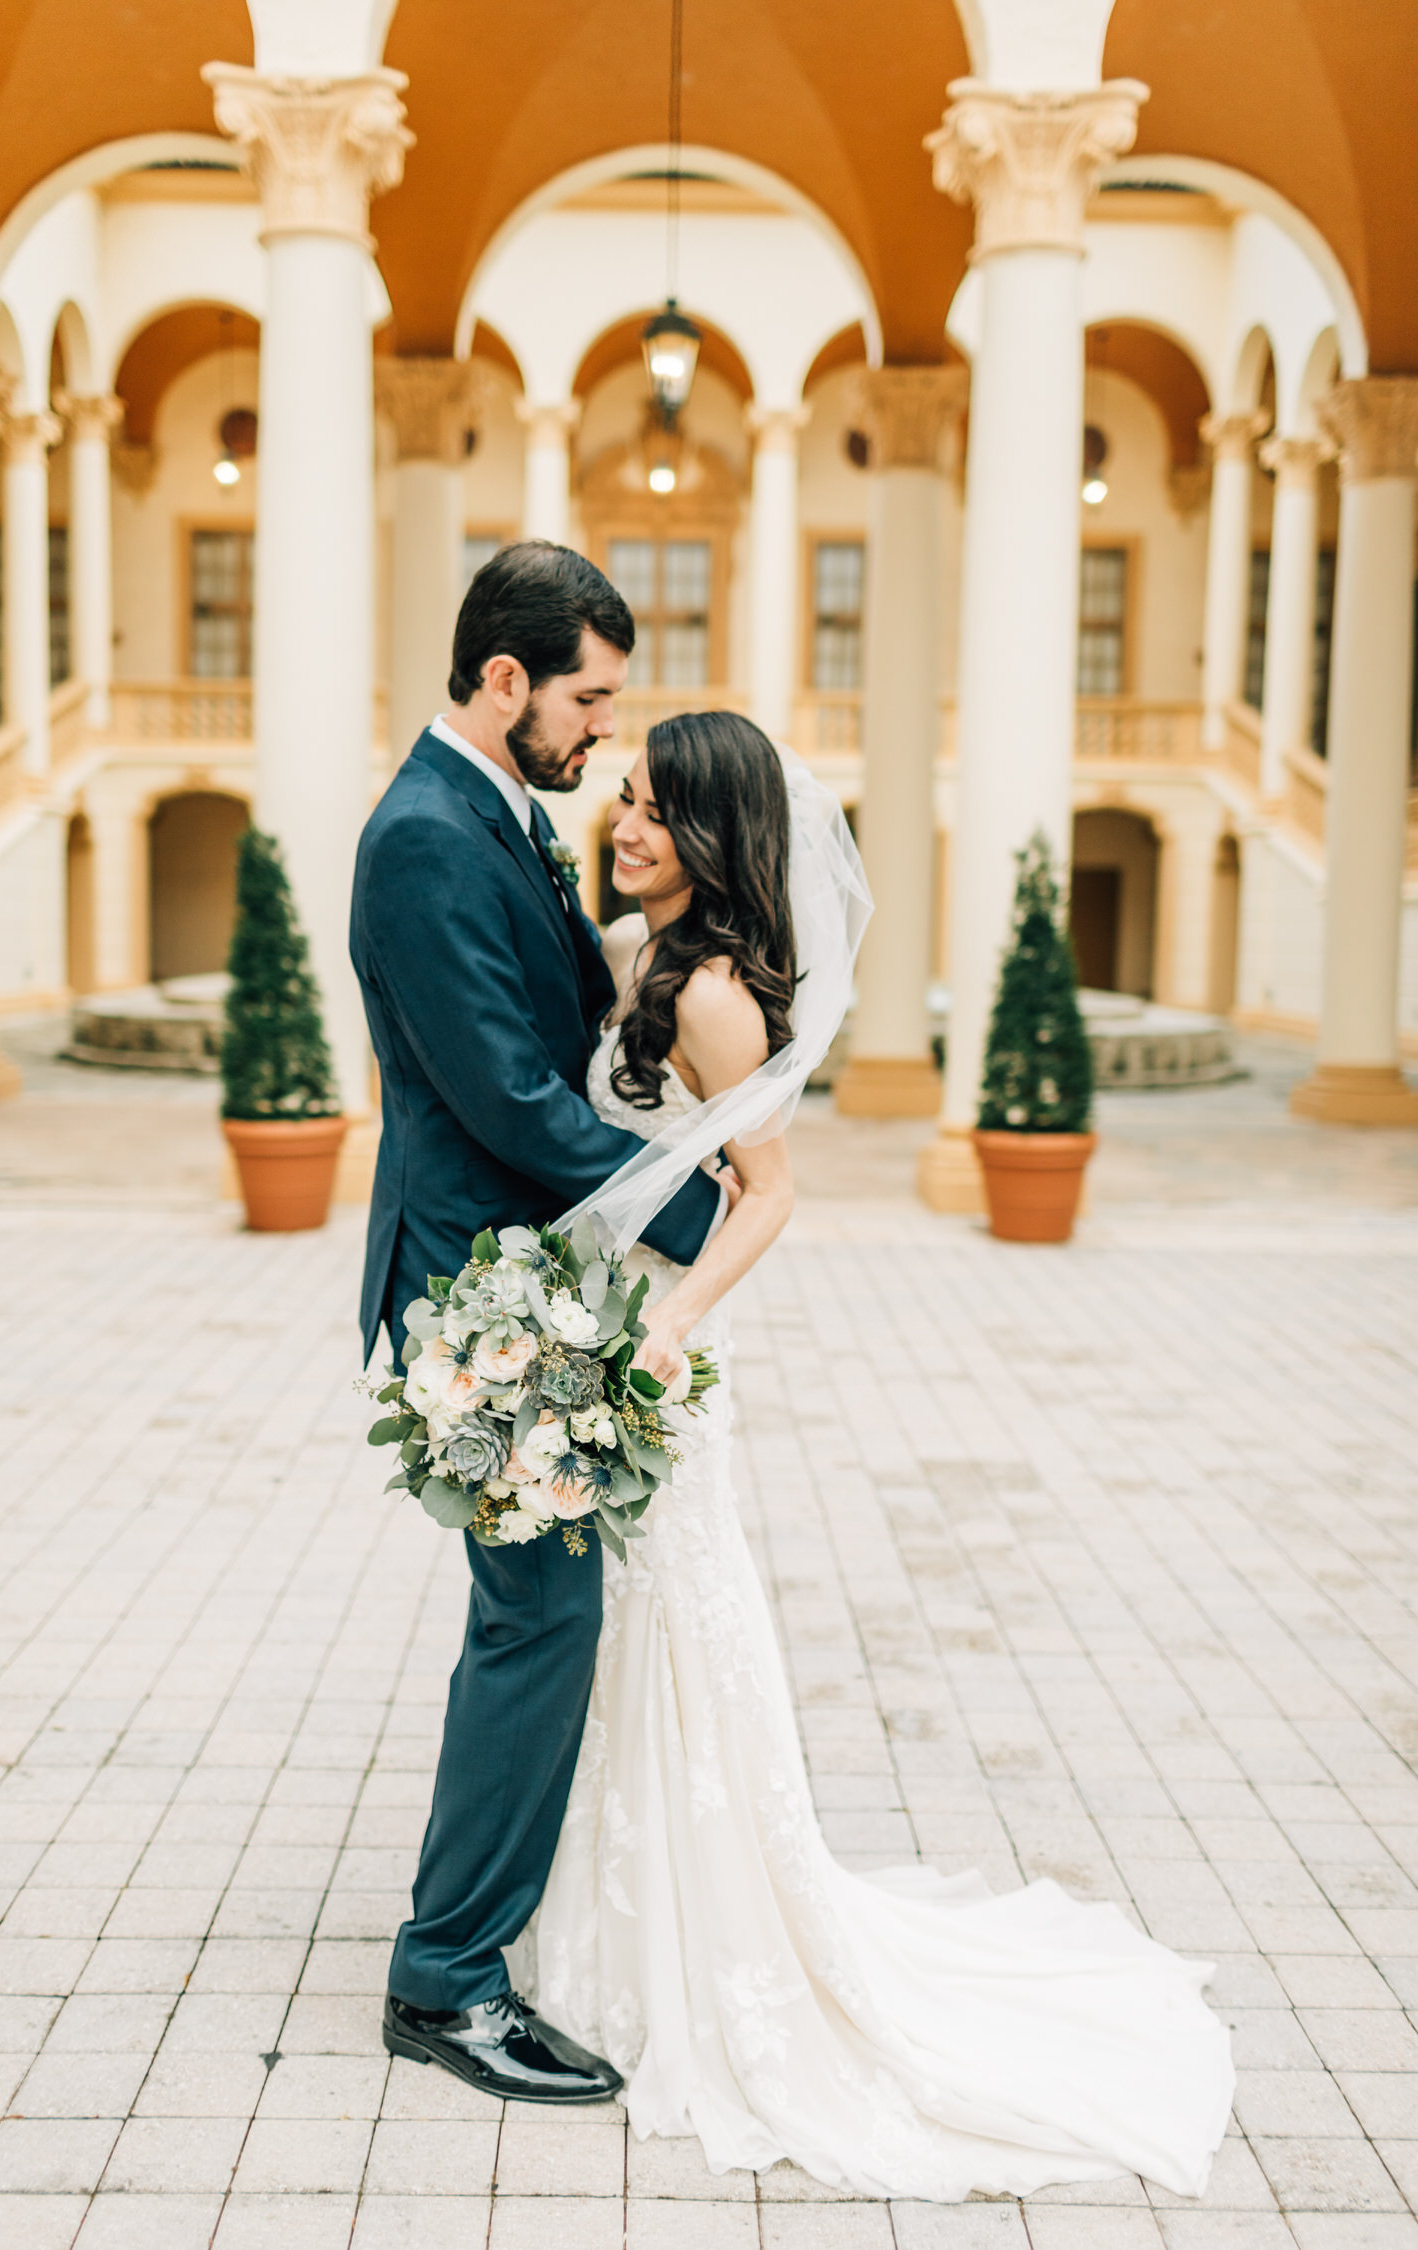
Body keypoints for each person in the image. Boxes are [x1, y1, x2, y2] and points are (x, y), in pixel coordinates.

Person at [528, 707, 1237, 2201]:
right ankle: (610, 1911)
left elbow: (772, 1190)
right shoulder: (635, 953)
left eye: (656, 808)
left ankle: (708, 1947)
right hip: (605, 1323)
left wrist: (674, 1330)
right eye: (626, 798)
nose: (628, 823)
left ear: (711, 834)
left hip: (659, 1347)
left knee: (672, 1628)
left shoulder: (714, 993)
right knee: (618, 1638)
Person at [349, 541, 726, 2104]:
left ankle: (475, 1933)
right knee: (539, 1619)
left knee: (534, 1616)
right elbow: (507, 1096)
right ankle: (447, 1979)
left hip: (536, 1272)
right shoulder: (428, 838)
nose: (598, 731)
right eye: (586, 697)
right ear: (503, 679)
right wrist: (716, 1210)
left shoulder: (498, 812)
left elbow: (575, 1029)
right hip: (476, 1290)